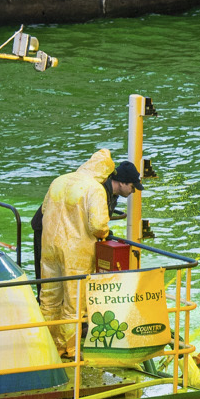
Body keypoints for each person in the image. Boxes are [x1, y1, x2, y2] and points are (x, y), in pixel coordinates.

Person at [37, 147, 134, 355]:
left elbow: (45, 210)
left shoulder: (59, 181)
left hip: (48, 247)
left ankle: (45, 344)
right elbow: (98, 225)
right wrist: (106, 232)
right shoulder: (94, 188)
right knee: (74, 302)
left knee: (49, 298)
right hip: (76, 252)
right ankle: (67, 348)